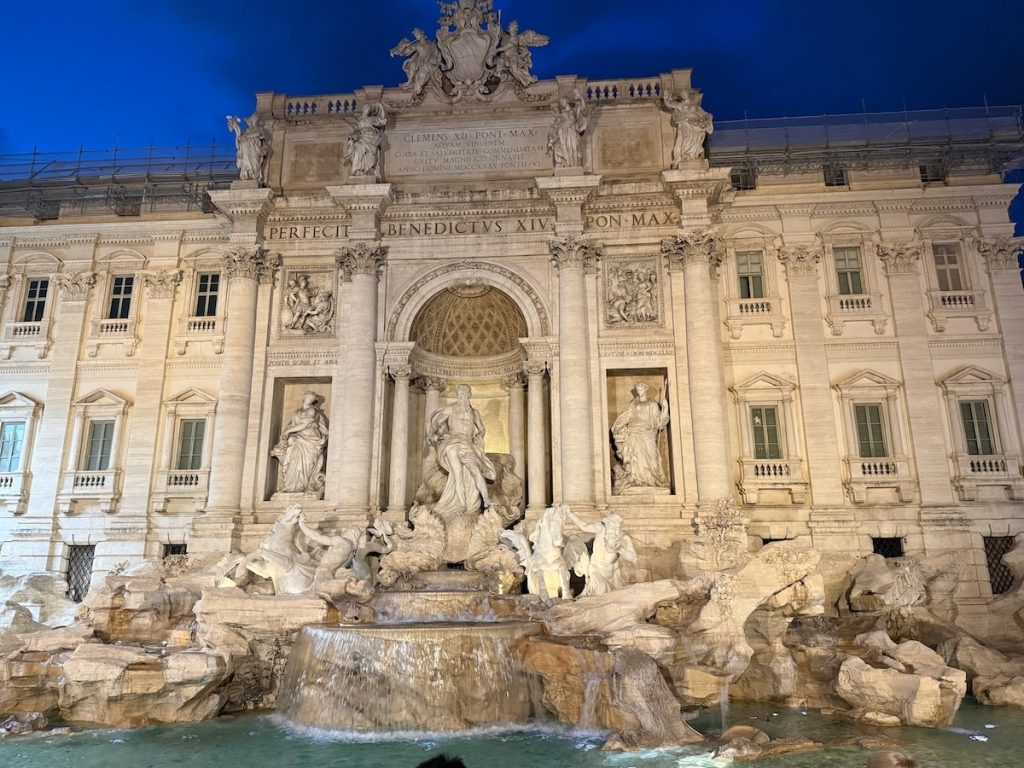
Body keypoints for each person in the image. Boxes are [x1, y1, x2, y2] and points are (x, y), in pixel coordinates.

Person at [426, 384, 497, 516]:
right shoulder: (451, 409)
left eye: (465, 393)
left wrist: (478, 437)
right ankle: (463, 504)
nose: (462, 396)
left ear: (469, 395)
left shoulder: (474, 413)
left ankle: (486, 500)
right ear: (457, 395)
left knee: (476, 471)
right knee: (457, 474)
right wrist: (431, 433)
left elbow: (481, 428)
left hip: (468, 444)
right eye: (460, 393)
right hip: (453, 443)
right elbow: (437, 422)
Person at [611, 380, 670, 491]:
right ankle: (636, 480)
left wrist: (665, 408)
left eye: (641, 389)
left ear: (645, 390)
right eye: (637, 390)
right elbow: (626, 416)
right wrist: (617, 427)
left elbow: (659, 422)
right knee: (635, 457)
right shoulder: (633, 404)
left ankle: (652, 480)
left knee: (652, 456)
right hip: (633, 432)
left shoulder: (652, 404)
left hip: (648, 433)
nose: (639, 392)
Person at [565, 509, 637, 595]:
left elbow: (634, 559)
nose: (612, 529)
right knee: (600, 590)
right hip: (595, 571)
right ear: (607, 522)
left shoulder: (623, 538)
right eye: (610, 525)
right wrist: (569, 513)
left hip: (612, 577)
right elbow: (584, 526)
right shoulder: (600, 528)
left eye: (615, 527)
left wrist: (620, 549)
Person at [272, 392, 329, 495]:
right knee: (294, 462)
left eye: (312, 398)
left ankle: (303, 487)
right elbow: (292, 425)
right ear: (304, 398)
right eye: (308, 397)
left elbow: (304, 424)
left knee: (306, 464)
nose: (309, 399)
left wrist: (288, 432)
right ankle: (291, 487)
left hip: (311, 441)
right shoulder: (297, 412)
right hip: (298, 439)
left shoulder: (312, 410)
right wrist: (286, 434)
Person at [662, 90, 713, 165]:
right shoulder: (680, 105)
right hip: (685, 123)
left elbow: (707, 114)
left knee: (695, 139)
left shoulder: (694, 106)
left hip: (695, 124)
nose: (685, 98)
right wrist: (666, 97)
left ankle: (692, 155)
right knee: (686, 137)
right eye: (683, 96)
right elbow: (668, 104)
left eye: (685, 96)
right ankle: (686, 155)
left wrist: (707, 120)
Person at [345, 103, 387, 178]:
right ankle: (359, 170)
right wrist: (353, 136)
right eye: (366, 108)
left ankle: (369, 170)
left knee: (371, 156)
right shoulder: (359, 121)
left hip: (372, 139)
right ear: (363, 110)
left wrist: (381, 107)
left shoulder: (372, 119)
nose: (367, 109)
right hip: (362, 138)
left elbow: (383, 120)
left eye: (368, 108)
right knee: (359, 148)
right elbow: (354, 130)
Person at [547, 92, 588, 168]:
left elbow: (584, 110)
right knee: (564, 147)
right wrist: (551, 141)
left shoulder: (574, 111)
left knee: (574, 147)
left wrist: (581, 98)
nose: (562, 103)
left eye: (563, 101)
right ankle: (567, 163)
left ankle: (575, 165)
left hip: (571, 130)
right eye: (561, 101)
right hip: (562, 132)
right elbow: (555, 127)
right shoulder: (560, 115)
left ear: (567, 101)